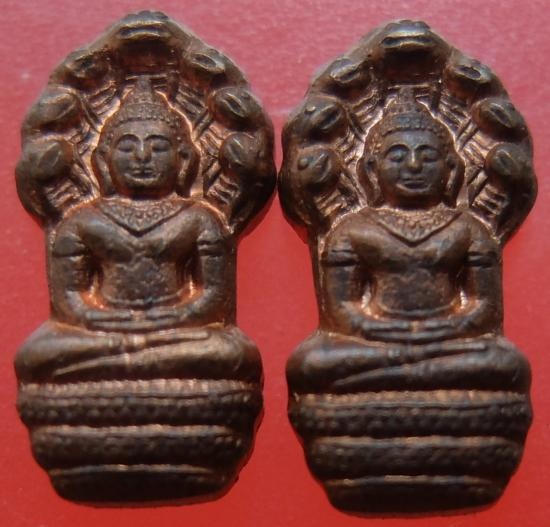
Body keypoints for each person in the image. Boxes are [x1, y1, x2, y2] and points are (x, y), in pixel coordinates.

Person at [15, 77, 261, 385]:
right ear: (102, 159)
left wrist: (174, 318)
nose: (142, 157)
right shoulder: (82, 222)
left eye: (158, 147)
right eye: (127, 147)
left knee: (233, 355)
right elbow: (69, 299)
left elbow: (214, 296)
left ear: (184, 159)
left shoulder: (199, 219)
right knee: (39, 355)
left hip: (177, 331)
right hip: (103, 330)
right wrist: (103, 319)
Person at [287, 90, 530, 395]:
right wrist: (385, 330)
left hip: (448, 342)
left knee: (507, 365)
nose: (414, 166)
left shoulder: (468, 229)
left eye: (428, 157)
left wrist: (443, 330)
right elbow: (342, 308)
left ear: (451, 168)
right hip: (377, 340)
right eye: (397, 156)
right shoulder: (352, 230)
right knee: (311, 365)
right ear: (371, 169)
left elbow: (485, 307)